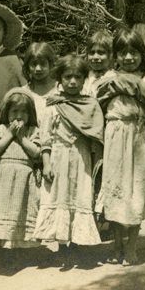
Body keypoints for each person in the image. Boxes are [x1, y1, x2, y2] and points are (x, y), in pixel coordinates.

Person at [95, 28, 145, 266]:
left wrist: (138, 88)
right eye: (123, 53)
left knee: (136, 190)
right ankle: (117, 244)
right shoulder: (107, 79)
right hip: (115, 137)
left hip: (140, 138)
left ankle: (132, 246)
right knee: (115, 189)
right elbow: (95, 103)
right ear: (115, 55)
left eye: (134, 53)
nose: (128, 58)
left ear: (142, 55)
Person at [34, 54, 104, 255]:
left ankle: (76, 244)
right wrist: (46, 164)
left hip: (81, 159)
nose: (72, 82)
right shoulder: (54, 105)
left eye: (78, 77)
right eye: (67, 77)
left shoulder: (90, 104)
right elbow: (45, 138)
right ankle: (61, 244)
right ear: (59, 79)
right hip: (58, 157)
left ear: (84, 79)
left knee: (79, 195)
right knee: (60, 196)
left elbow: (96, 134)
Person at [0, 89, 43, 263]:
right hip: (3, 180)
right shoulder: (1, 129)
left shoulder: (33, 130)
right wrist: (10, 134)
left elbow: (36, 153)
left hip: (24, 178)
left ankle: (17, 251)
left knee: (19, 213)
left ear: (30, 114)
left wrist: (21, 138)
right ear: (6, 113)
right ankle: (0, 250)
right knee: (1, 212)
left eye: (23, 112)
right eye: (14, 112)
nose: (18, 116)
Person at [23, 41, 59, 117]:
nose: (38, 68)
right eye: (34, 64)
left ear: (51, 64)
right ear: (28, 66)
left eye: (43, 64)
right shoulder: (24, 94)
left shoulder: (60, 90)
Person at [82, 29, 116, 97]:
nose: (95, 57)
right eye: (92, 53)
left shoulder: (114, 78)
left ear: (110, 55)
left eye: (101, 53)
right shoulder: (83, 77)